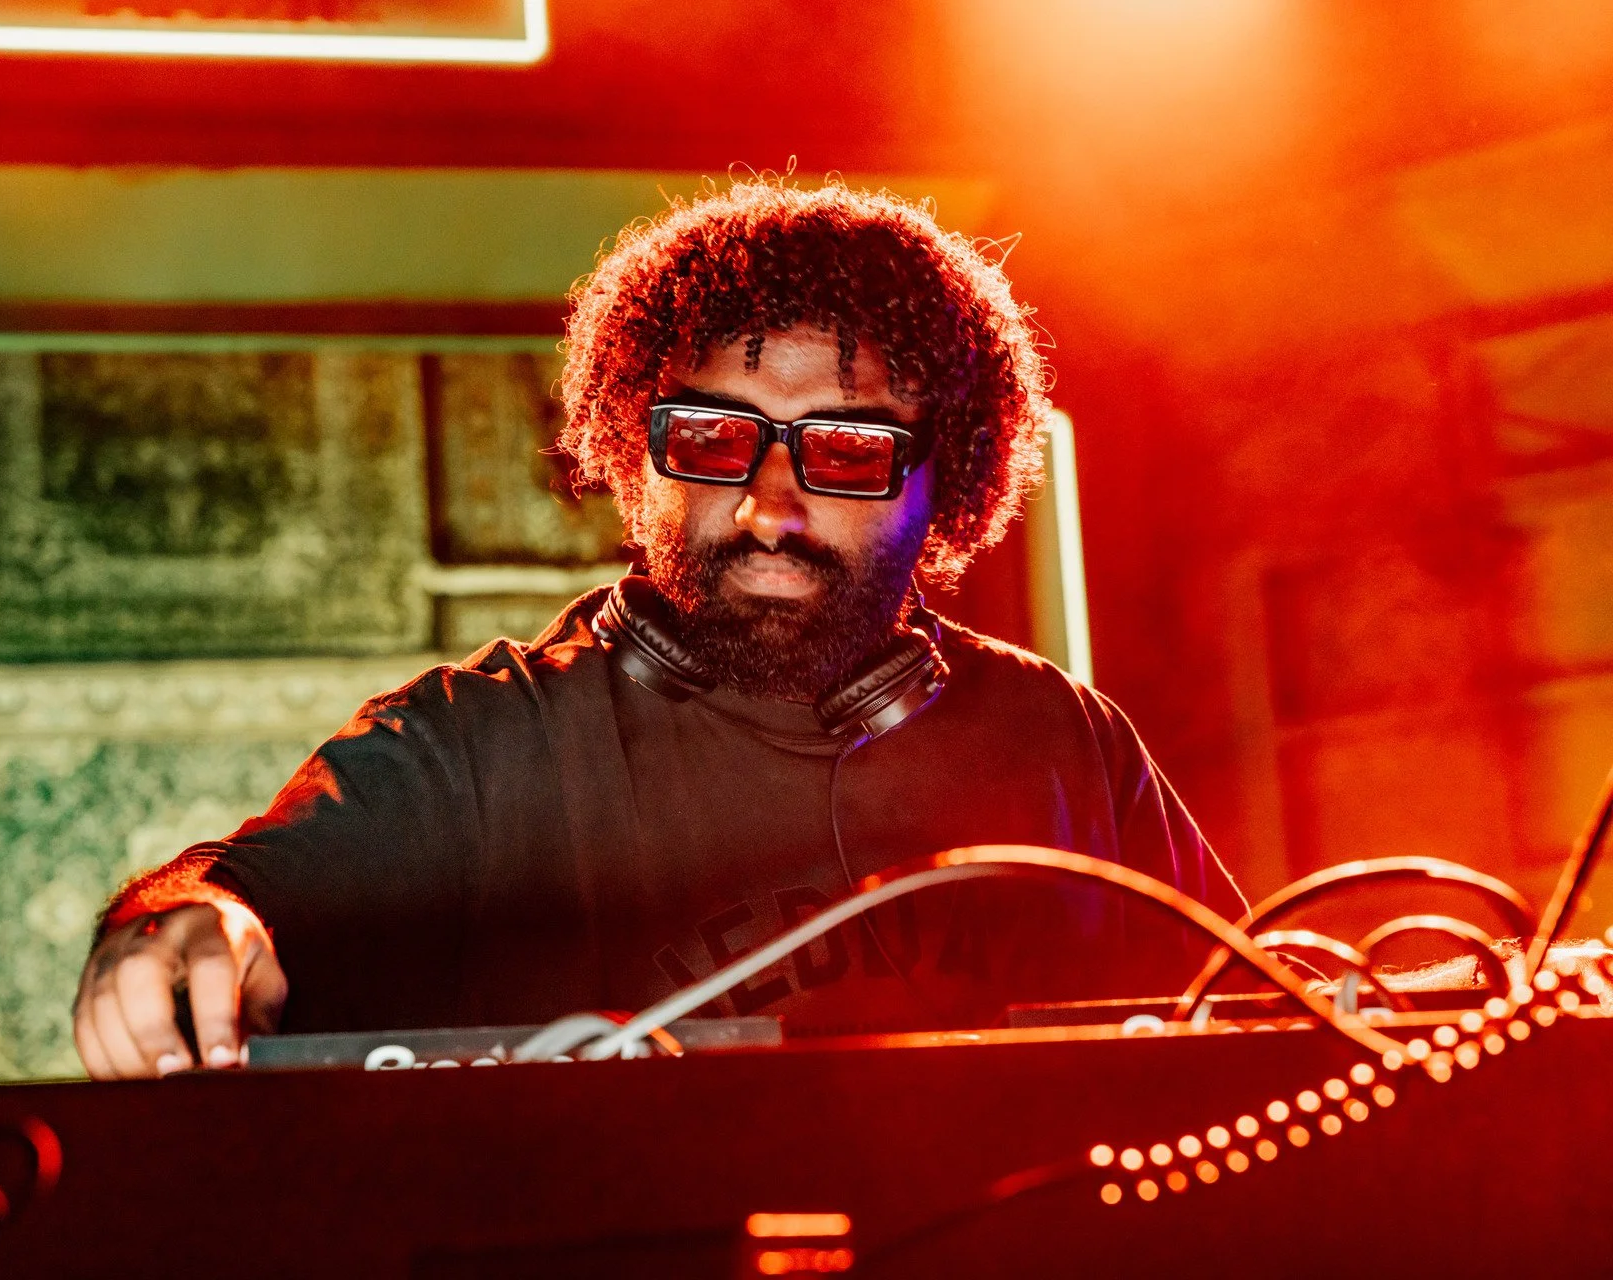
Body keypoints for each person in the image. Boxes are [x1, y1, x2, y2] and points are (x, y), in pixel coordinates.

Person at [72, 179, 1244, 1081]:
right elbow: (229, 895)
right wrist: (181, 928)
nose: (771, 508)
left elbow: (1264, 1031)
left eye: (843, 449)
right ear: (636, 454)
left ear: (949, 479)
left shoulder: (1061, 737)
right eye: (715, 439)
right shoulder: (477, 746)